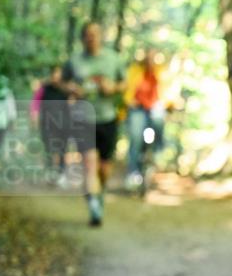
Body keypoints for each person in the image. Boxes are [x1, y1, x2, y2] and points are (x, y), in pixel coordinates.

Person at [60, 21, 124, 226]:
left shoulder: (113, 59)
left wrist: (112, 88)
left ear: (101, 36)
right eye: (87, 34)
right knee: (89, 163)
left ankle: (98, 193)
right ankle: (95, 207)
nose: (91, 38)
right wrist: (72, 88)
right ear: (82, 38)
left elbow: (125, 83)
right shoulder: (75, 61)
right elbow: (60, 81)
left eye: (95, 34)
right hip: (83, 119)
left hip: (107, 118)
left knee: (104, 168)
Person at [122, 48, 168, 190]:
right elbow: (126, 88)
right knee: (135, 136)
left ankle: (158, 152)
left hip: (155, 107)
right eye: (148, 57)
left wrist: (170, 103)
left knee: (159, 120)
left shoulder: (162, 71)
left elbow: (168, 90)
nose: (150, 60)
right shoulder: (134, 70)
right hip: (137, 108)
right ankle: (133, 172)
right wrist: (129, 101)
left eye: (152, 58)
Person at [35, 65, 70, 186]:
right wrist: (34, 115)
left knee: (62, 149)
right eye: (54, 73)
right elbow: (36, 102)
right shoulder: (44, 88)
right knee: (49, 148)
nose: (56, 76)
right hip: (47, 124)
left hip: (64, 124)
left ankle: (61, 174)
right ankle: (50, 173)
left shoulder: (66, 89)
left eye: (59, 74)